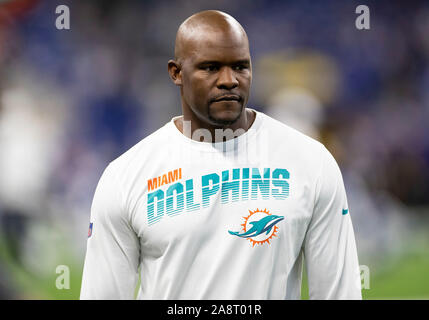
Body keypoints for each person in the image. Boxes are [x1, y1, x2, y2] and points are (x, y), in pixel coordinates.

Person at [80, 10, 362, 300]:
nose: (229, 80)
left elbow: (339, 294)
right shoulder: (126, 176)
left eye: (240, 67)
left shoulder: (311, 162)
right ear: (176, 73)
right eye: (211, 67)